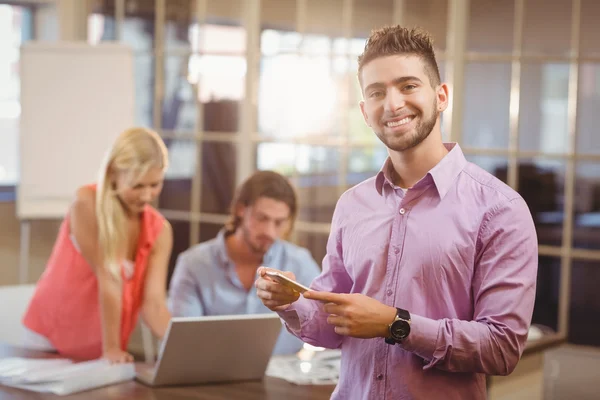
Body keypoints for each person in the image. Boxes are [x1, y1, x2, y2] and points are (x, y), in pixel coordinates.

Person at [256, 25, 538, 399]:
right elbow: (330, 326)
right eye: (377, 92)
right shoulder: (352, 205)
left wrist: (395, 325)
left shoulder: (500, 210)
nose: (392, 104)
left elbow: (502, 348)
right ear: (364, 111)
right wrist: (291, 304)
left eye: (407, 86)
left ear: (441, 96)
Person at [23, 127, 173, 363]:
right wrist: (111, 349)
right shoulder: (86, 203)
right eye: (137, 186)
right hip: (50, 344)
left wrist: (187, 348)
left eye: (154, 185)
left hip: (100, 353)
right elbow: (109, 276)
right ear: (113, 172)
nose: (146, 196)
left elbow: (154, 305)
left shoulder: (160, 230)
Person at [168, 170, 320, 355]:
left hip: (283, 376)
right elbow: (185, 340)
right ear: (241, 210)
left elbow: (322, 326)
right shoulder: (194, 264)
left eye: (279, 222)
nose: (269, 232)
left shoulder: (299, 263)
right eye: (262, 218)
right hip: (211, 376)